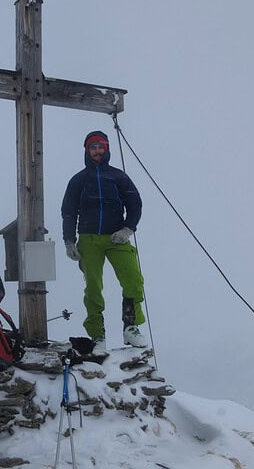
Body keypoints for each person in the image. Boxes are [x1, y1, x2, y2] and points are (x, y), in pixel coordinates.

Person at [61, 130, 147, 353]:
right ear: (87, 151)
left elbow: (135, 204)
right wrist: (69, 241)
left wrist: (128, 229)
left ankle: (130, 327)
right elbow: (69, 212)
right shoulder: (79, 180)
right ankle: (97, 335)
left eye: (101, 147)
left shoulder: (118, 177)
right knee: (93, 287)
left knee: (133, 279)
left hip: (116, 237)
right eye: (93, 147)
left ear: (107, 149)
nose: (97, 151)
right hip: (89, 239)